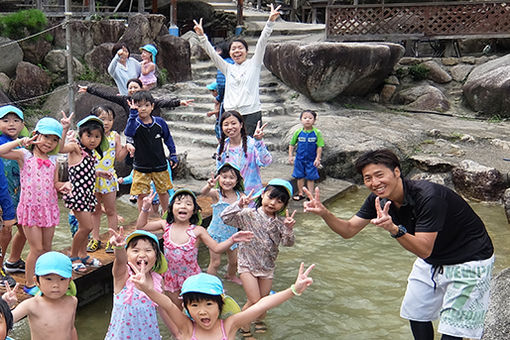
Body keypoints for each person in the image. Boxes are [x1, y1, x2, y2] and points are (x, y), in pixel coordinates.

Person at [303, 148, 495, 340]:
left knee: (453, 331)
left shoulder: (428, 197)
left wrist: (394, 229)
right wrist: (324, 213)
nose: (374, 183)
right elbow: (348, 230)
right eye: (367, 178)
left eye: (379, 175)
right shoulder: (378, 199)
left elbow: (424, 249)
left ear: (396, 172)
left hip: (470, 260)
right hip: (433, 258)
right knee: (416, 313)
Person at [130, 262, 314, 340]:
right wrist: (147, 288)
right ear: (186, 307)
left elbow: (261, 304)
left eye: (209, 304)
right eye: (195, 305)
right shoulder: (187, 326)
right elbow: (167, 304)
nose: (202, 311)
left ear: (220, 305)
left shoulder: (230, 325)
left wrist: (293, 290)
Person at [136, 188, 253, 308]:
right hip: (171, 277)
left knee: (192, 309)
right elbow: (141, 227)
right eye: (179, 203)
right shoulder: (165, 225)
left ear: (194, 211)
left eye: (188, 204)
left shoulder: (197, 231)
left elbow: (216, 248)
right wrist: (145, 208)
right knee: (176, 309)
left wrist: (232, 239)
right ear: (171, 208)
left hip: (192, 278)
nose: (183, 206)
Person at [0, 116, 71, 295]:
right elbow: (1, 151)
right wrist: (21, 141)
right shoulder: (24, 155)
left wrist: (63, 186)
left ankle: (43, 279)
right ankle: (30, 283)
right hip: (30, 209)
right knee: (36, 248)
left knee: (47, 248)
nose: (49, 142)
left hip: (49, 209)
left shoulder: (54, 161)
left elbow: (55, 184)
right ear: (35, 135)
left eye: (54, 139)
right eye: (46, 137)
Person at [221, 178, 296, 336]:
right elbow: (225, 217)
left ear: (284, 205)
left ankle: (258, 320)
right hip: (247, 264)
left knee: (264, 301)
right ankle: (244, 329)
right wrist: (239, 205)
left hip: (267, 267)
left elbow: (288, 243)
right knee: (255, 301)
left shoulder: (280, 222)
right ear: (262, 195)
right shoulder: (249, 214)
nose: (273, 203)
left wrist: (288, 229)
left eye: (279, 201)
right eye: (270, 197)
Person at [194, 4, 282, 136]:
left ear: (247, 51)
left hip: (251, 112)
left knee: (250, 147)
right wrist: (202, 37)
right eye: (233, 49)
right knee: (231, 147)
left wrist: (270, 22)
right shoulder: (227, 68)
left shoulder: (254, 64)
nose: (237, 51)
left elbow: (262, 42)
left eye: (240, 48)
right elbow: (212, 54)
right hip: (231, 113)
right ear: (229, 53)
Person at [105, 228, 175, 339]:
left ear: (156, 256)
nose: (142, 255)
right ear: (127, 255)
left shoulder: (157, 280)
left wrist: (177, 333)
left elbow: (163, 309)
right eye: (135, 251)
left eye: (148, 250)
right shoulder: (123, 276)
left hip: (148, 335)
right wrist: (119, 247)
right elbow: (120, 261)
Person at [61, 115, 109, 273]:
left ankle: (83, 254)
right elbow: (59, 149)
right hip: (77, 196)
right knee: (87, 226)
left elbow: (85, 172)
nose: (93, 140)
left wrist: (99, 173)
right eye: (89, 135)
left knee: (87, 228)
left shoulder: (90, 154)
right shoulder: (75, 149)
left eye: (97, 136)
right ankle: (73, 256)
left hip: (87, 195)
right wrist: (65, 128)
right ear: (80, 135)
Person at [84, 105, 128, 254]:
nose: (107, 123)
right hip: (93, 178)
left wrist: (127, 147)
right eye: (103, 119)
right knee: (95, 210)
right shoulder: (91, 136)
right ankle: (95, 238)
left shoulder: (114, 136)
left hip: (108, 178)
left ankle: (112, 239)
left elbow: (119, 157)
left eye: (110, 119)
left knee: (110, 210)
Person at [124, 91, 177, 212]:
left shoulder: (159, 122)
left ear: (152, 106)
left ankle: (166, 216)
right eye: (139, 106)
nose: (143, 109)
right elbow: (129, 133)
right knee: (141, 194)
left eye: (146, 105)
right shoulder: (134, 122)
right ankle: (143, 218)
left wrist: (173, 154)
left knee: (163, 192)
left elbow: (168, 138)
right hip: (141, 166)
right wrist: (132, 114)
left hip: (160, 164)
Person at [9, 251, 78, 340]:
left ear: (69, 281)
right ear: (36, 281)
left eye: (62, 279)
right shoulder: (31, 305)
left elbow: (71, 329)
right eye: (49, 279)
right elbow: (5, 322)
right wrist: (6, 304)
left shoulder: (72, 301)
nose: (55, 285)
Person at [200, 163, 245, 284]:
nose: (227, 180)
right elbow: (203, 193)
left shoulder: (240, 196)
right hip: (215, 234)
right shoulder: (216, 194)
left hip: (232, 235)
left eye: (231, 177)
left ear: (237, 180)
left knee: (234, 262)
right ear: (218, 178)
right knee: (215, 262)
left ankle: (230, 276)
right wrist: (209, 186)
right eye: (224, 177)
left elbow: (244, 213)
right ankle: (210, 283)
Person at [78, 79, 193, 124]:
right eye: (130, 88)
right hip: (133, 127)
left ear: (141, 88)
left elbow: (163, 102)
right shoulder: (125, 100)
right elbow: (107, 95)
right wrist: (89, 89)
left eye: (135, 87)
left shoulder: (148, 100)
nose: (132, 90)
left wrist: (179, 102)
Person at [0, 105, 29, 284]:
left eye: (16, 121)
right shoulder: (3, 142)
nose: (11, 124)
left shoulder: (24, 143)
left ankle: (13, 260)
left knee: (25, 229)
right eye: (5, 121)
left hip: (19, 195)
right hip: (3, 197)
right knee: (5, 231)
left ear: (22, 124)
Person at [216, 110, 271, 195]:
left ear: (241, 125)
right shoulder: (222, 148)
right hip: (231, 197)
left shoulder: (252, 144)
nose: (230, 127)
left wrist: (259, 142)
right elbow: (220, 172)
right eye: (226, 124)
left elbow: (266, 162)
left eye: (233, 123)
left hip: (251, 195)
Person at [288, 109, 324, 201]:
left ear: (314, 120)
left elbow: (319, 146)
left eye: (310, 118)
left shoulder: (317, 133)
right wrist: (290, 156)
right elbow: (292, 144)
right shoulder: (298, 132)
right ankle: (300, 193)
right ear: (301, 120)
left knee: (310, 177)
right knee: (299, 176)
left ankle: (310, 195)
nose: (307, 120)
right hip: (299, 159)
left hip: (311, 160)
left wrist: (317, 158)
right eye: (305, 118)